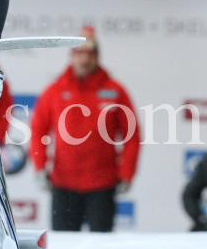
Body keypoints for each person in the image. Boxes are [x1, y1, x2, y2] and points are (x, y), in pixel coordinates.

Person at [29, 27, 140, 232]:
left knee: (101, 247)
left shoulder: (115, 91)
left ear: (97, 57)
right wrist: (39, 166)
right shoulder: (55, 90)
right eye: (79, 54)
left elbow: (131, 136)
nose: (84, 60)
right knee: (63, 246)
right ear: (71, 56)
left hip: (102, 185)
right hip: (63, 183)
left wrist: (127, 173)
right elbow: (38, 131)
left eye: (90, 54)